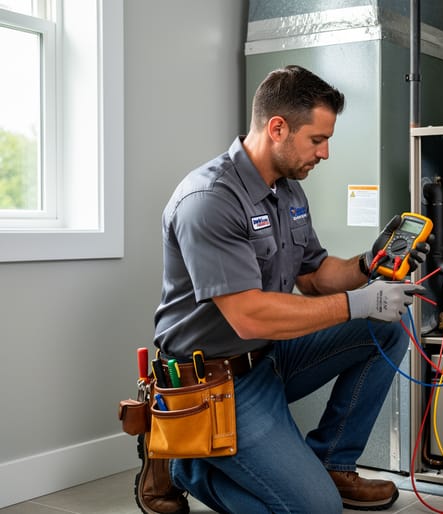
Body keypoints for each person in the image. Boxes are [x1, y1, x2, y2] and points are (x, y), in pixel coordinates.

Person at [136, 65, 427, 514]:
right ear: (277, 128)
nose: (325, 152)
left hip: (269, 357)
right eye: (317, 139)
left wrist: (368, 266)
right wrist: (356, 303)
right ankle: (186, 465)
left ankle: (332, 461)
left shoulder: (287, 191)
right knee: (316, 510)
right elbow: (249, 315)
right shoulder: (209, 199)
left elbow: (312, 276)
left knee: (387, 328)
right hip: (215, 381)